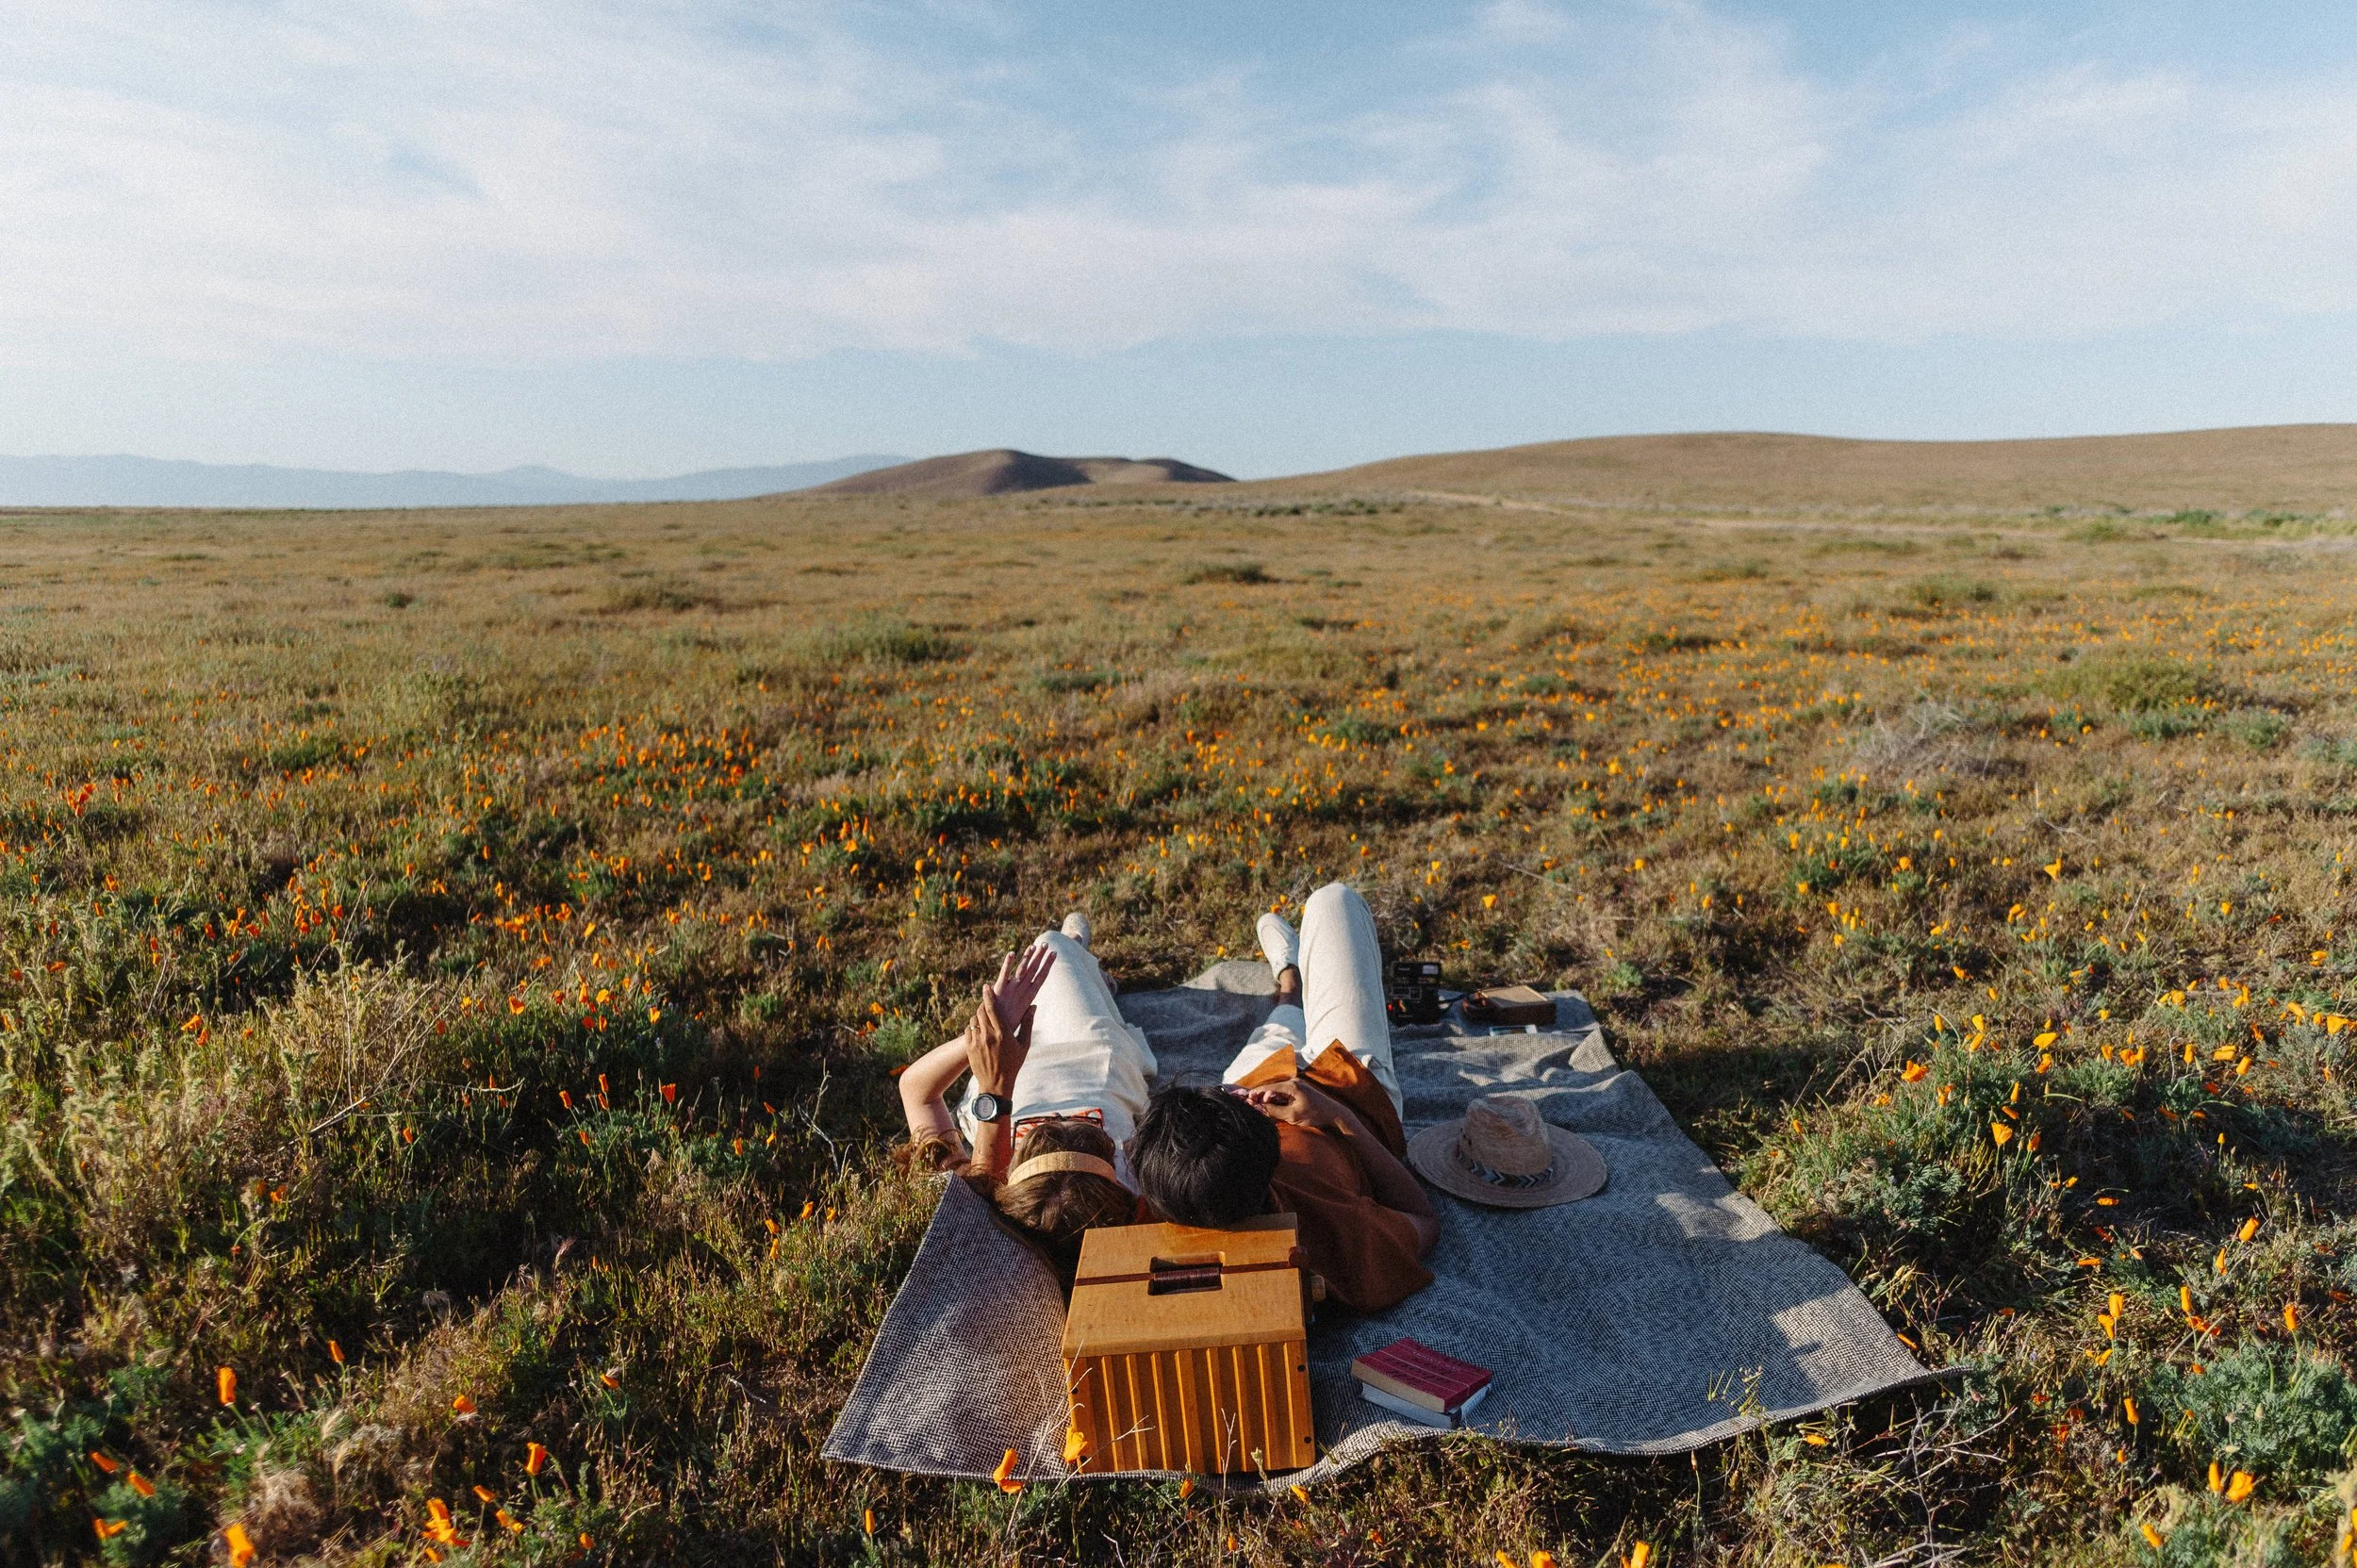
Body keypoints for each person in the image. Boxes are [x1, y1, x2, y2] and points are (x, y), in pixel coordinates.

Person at [1129, 883, 1439, 1313]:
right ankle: (1293, 988)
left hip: (1234, 1115)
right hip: (1348, 1086)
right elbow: (1423, 1218)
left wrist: (1233, 1096)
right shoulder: (1340, 1228)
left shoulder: (1163, 1193)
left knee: (1271, 1041)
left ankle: (1290, 987)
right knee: (1333, 900)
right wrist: (1336, 1116)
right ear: (1270, 1147)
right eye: (1239, 1102)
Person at [895, 916, 1148, 1280]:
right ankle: (1089, 973)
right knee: (1055, 947)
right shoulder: (1135, 1197)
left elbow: (916, 1091)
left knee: (1050, 947)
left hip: (1002, 1071)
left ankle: (1089, 973)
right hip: (1092, 1058)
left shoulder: (990, 1199)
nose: (1059, 1116)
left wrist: (986, 1036)